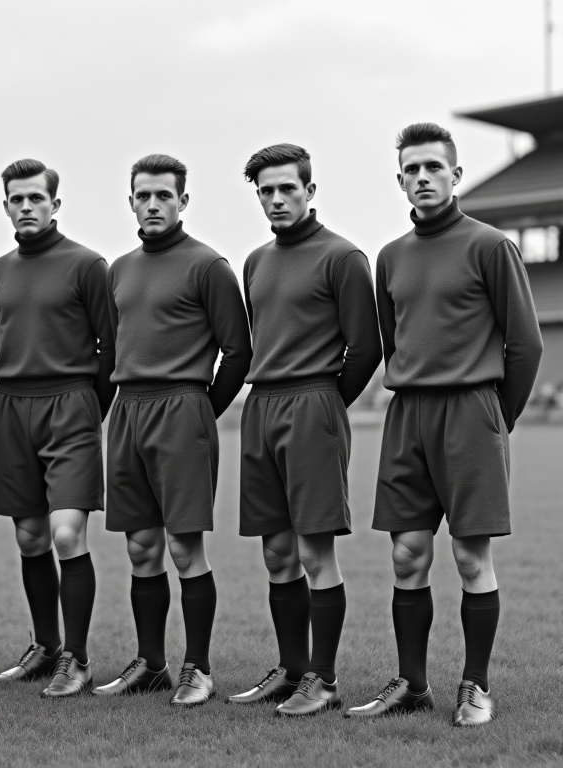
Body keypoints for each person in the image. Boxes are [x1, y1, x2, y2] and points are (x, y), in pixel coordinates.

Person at [346, 123, 542, 727]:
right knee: (407, 555)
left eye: (435, 167)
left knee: (469, 557)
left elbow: (526, 346)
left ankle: (476, 686)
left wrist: (493, 422)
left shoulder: (490, 246)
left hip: (471, 415)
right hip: (408, 416)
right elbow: (391, 341)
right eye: (412, 169)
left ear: (455, 175)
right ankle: (411, 684)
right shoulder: (391, 257)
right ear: (400, 178)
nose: (423, 177)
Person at [227, 144, 380, 716]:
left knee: (315, 554)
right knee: (275, 552)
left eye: (287, 188)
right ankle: (291, 671)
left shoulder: (342, 257)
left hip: (313, 407)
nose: (276, 199)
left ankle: (325, 678)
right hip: (261, 408)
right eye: (265, 191)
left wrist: (323, 406)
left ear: (309, 191)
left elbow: (365, 348)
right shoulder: (255, 261)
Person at [97, 154, 251, 707]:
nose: (154, 204)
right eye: (144, 195)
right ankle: (151, 663)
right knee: (141, 547)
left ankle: (198, 668)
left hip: (183, 411)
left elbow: (237, 352)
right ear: (131, 200)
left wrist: (201, 410)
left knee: (184, 548)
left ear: (183, 201)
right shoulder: (119, 269)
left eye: (165, 195)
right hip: (129, 411)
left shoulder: (208, 266)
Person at [0, 159, 113, 698]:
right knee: (30, 534)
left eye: (37, 198)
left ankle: (77, 660)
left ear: (54, 205)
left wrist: (88, 408)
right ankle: (45, 647)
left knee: (66, 533)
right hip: (13, 407)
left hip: (71, 407)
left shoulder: (87, 265)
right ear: (6, 205)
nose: (26, 207)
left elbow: (111, 349)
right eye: (17, 199)